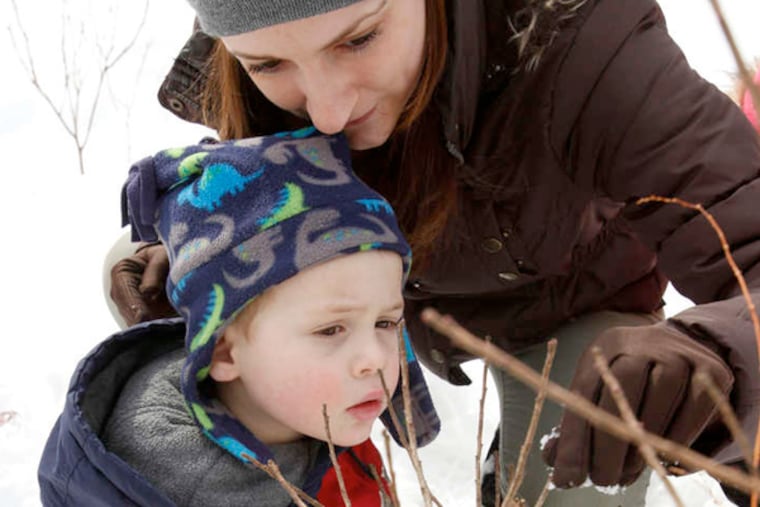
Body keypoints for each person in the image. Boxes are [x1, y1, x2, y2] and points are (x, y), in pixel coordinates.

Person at [108, 0, 760, 504]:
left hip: (571, 297)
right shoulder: (265, 66)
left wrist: (716, 348)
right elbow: (241, 187)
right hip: (380, 303)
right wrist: (196, 251)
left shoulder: (583, 44)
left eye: (359, 38)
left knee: (577, 481)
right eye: (267, 65)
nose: (328, 111)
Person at [39, 128, 440, 506]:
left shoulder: (314, 409)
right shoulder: (194, 487)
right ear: (223, 352)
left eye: (386, 323)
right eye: (331, 329)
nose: (374, 358)